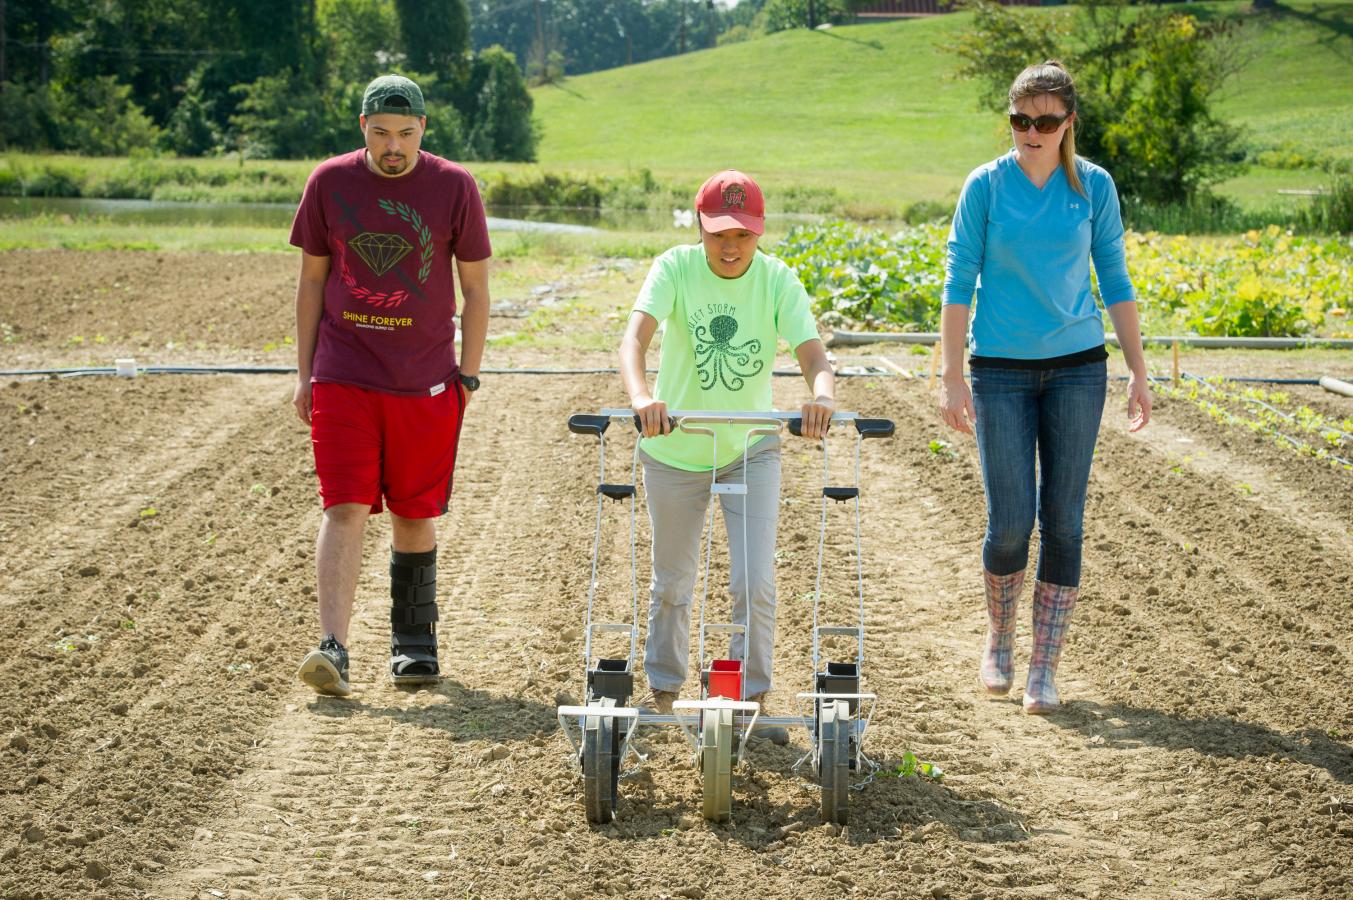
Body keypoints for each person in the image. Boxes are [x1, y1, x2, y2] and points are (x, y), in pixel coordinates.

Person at [938, 61, 1151, 715]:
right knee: (1010, 522)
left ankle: (1043, 669)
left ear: (1068, 123)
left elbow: (1114, 278)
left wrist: (1139, 372)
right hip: (998, 371)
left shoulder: (1093, 187)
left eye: (1045, 121)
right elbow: (957, 280)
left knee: (1064, 522)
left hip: (1078, 369)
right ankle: (1000, 638)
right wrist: (950, 376)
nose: (1030, 132)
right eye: (1019, 120)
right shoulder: (985, 186)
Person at [289, 74, 491, 696]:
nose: (393, 146)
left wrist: (467, 375)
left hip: (425, 381)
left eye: (405, 133)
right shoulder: (329, 182)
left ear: (423, 128)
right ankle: (334, 647)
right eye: (381, 133)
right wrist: (305, 375)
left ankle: (413, 643)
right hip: (343, 374)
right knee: (344, 505)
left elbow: (476, 289)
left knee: (413, 511)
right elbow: (312, 282)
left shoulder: (454, 186)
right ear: (363, 128)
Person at [619, 170, 835, 741]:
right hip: (675, 445)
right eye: (719, 234)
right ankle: (664, 692)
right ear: (700, 228)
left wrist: (822, 396)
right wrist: (642, 397)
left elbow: (813, 356)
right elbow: (634, 340)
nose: (731, 246)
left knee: (754, 581)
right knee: (672, 580)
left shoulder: (777, 279)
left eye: (743, 234)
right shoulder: (674, 268)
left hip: (749, 447)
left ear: (759, 231)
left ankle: (749, 699)